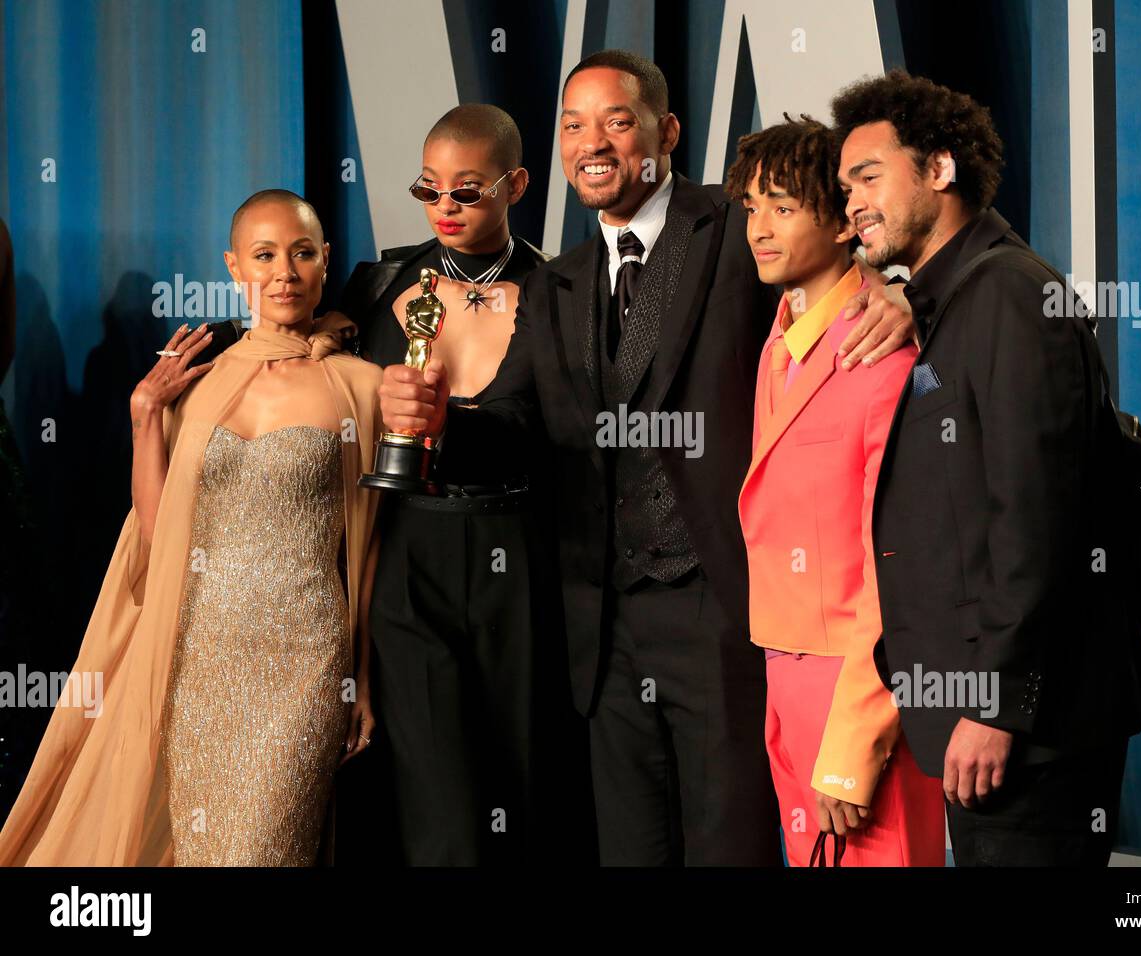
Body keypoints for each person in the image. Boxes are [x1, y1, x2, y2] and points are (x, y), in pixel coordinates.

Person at [379, 51, 916, 865]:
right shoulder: (559, 283)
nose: (592, 143)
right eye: (573, 125)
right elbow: (525, 429)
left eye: (617, 122)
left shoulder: (738, 224)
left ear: (665, 132)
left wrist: (901, 288)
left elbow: (845, 236)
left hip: (723, 612)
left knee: (727, 848)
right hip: (603, 626)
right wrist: (443, 422)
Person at [832, 70, 1141, 865]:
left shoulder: (1013, 298)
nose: (852, 203)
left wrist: (995, 706)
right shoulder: (954, 299)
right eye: (845, 186)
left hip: (1026, 728)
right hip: (983, 717)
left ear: (941, 169)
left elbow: (1038, 523)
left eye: (870, 176)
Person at [0, 190, 385, 865]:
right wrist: (146, 414)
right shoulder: (201, 386)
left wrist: (362, 678)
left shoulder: (359, 386)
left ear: (326, 262)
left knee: (265, 851)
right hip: (200, 659)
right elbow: (158, 535)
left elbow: (374, 546)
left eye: (301, 253)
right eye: (264, 255)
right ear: (234, 267)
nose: (284, 272)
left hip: (305, 664)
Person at [338, 104, 587, 865]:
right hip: (412, 559)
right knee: (438, 806)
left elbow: (566, 442)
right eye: (429, 189)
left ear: (515, 185)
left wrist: (455, 426)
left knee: (521, 790)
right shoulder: (379, 286)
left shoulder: (562, 294)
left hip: (522, 559)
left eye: (466, 191)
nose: (444, 207)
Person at [728, 115, 945, 866]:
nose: (760, 227)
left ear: (845, 220)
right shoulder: (780, 341)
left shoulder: (883, 347)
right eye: (751, 207)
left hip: (862, 689)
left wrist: (857, 733)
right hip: (783, 674)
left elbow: (898, 562)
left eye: (783, 207)